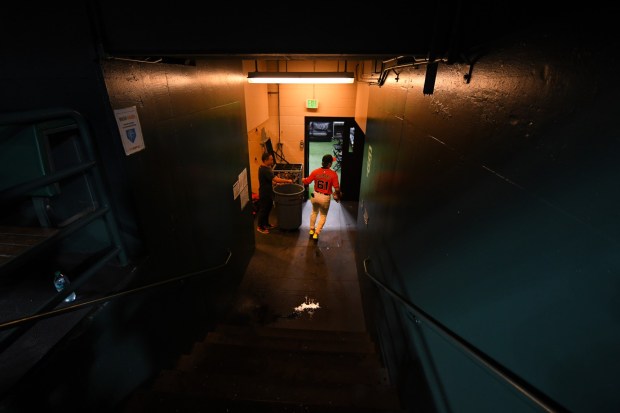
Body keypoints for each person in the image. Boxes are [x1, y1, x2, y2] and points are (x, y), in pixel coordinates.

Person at [302, 154, 341, 240]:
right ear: (329, 164)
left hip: (315, 196)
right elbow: (337, 189)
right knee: (323, 215)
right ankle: (316, 233)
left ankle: (311, 229)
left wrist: (303, 179)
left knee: (314, 212)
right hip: (325, 198)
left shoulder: (315, 171)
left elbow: (307, 182)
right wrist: (337, 195)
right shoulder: (333, 174)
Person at [257, 151, 293, 234]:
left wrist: (277, 184)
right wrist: (287, 180)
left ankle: (266, 224)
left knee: (268, 208)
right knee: (263, 210)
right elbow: (275, 179)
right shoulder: (265, 170)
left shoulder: (264, 168)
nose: (272, 161)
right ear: (265, 160)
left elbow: (270, 180)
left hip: (268, 192)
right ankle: (260, 226)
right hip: (264, 194)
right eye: (271, 160)